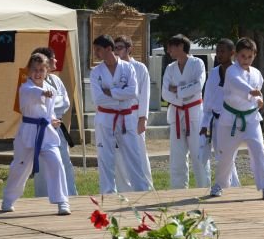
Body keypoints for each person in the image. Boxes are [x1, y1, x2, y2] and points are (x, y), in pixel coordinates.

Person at [1, 53, 71, 215]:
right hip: (28, 133)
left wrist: (53, 120)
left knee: (56, 162)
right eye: (34, 69)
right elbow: (32, 94)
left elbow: (50, 111)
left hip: (46, 133)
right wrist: (42, 94)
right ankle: (8, 199)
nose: (38, 73)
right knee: (20, 167)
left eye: (41, 70)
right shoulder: (25, 88)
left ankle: (62, 201)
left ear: (47, 71)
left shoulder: (51, 89)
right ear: (28, 71)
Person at [210, 37, 264, 200]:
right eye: (242, 56)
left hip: (251, 119)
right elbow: (237, 84)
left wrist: (258, 100)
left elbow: (256, 92)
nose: (246, 60)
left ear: (254, 55)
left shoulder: (257, 74)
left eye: (249, 57)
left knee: (259, 150)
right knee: (226, 154)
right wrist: (252, 92)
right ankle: (219, 183)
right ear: (236, 56)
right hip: (230, 119)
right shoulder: (231, 71)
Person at [89, 34, 152, 194]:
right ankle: (108, 192)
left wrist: (111, 92)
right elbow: (98, 99)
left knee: (133, 154)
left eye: (98, 49)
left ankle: (141, 190)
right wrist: (120, 96)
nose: (95, 53)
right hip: (105, 118)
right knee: (106, 157)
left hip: (126, 117)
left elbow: (133, 92)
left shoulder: (128, 67)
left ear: (108, 49)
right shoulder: (96, 72)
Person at [162, 34, 210, 189]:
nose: (169, 51)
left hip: (194, 112)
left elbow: (198, 86)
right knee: (177, 156)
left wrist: (177, 90)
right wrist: (183, 96)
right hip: (176, 113)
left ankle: (204, 187)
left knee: (198, 153)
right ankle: (178, 190)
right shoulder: (170, 68)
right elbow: (165, 93)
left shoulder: (198, 63)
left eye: (171, 47)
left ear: (181, 46)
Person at [32, 47, 78, 197]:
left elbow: (65, 102)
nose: (56, 61)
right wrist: (50, 105)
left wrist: (50, 103)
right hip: (42, 128)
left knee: (64, 162)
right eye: (53, 58)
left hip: (57, 126)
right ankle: (43, 196)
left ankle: (69, 194)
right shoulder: (33, 82)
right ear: (45, 61)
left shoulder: (56, 80)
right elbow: (37, 104)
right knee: (44, 165)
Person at [113, 35, 153, 192]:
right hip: (117, 115)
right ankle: (124, 189)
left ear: (129, 49)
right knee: (119, 153)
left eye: (120, 47)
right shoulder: (113, 68)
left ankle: (146, 186)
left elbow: (145, 95)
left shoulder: (140, 68)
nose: (117, 51)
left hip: (134, 114)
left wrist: (143, 118)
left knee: (139, 152)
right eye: (115, 48)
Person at [199, 38, 240, 187]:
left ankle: (229, 187)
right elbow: (208, 100)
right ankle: (231, 187)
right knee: (221, 156)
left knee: (227, 156)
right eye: (217, 51)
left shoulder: (238, 72)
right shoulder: (214, 73)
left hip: (232, 120)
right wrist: (204, 124)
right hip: (216, 121)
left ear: (232, 53)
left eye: (222, 51)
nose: (219, 54)